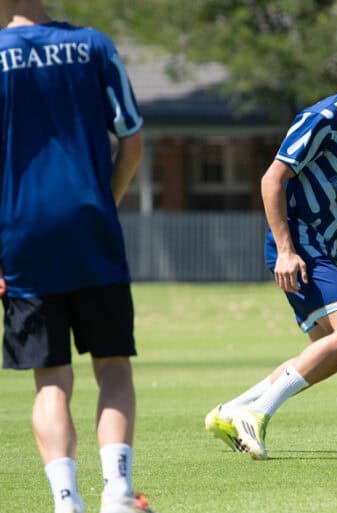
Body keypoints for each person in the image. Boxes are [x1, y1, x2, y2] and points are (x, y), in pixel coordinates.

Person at [205, 30, 337, 460]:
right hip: (300, 244)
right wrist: (286, 250)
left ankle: (232, 410)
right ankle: (257, 414)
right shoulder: (322, 118)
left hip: (331, 250)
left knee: (330, 354)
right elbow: (272, 180)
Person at [0, 2, 154, 512]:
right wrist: (105, 204)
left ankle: (66, 501)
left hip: (21, 237)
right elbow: (132, 142)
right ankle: (119, 493)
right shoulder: (93, 45)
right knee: (112, 367)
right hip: (91, 228)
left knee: (50, 379)